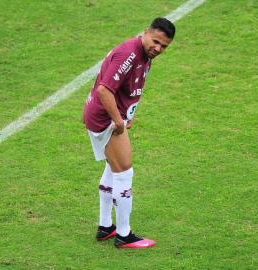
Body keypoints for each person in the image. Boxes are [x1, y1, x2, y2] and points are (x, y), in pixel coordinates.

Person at [83, 17, 175, 249]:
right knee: (124, 172)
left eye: (164, 46)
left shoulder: (144, 54)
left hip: (107, 115)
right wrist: (118, 121)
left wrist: (129, 113)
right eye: (155, 42)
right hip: (106, 118)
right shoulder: (129, 54)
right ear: (145, 32)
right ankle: (124, 234)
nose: (158, 48)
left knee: (112, 168)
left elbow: (131, 86)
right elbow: (105, 90)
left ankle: (105, 227)